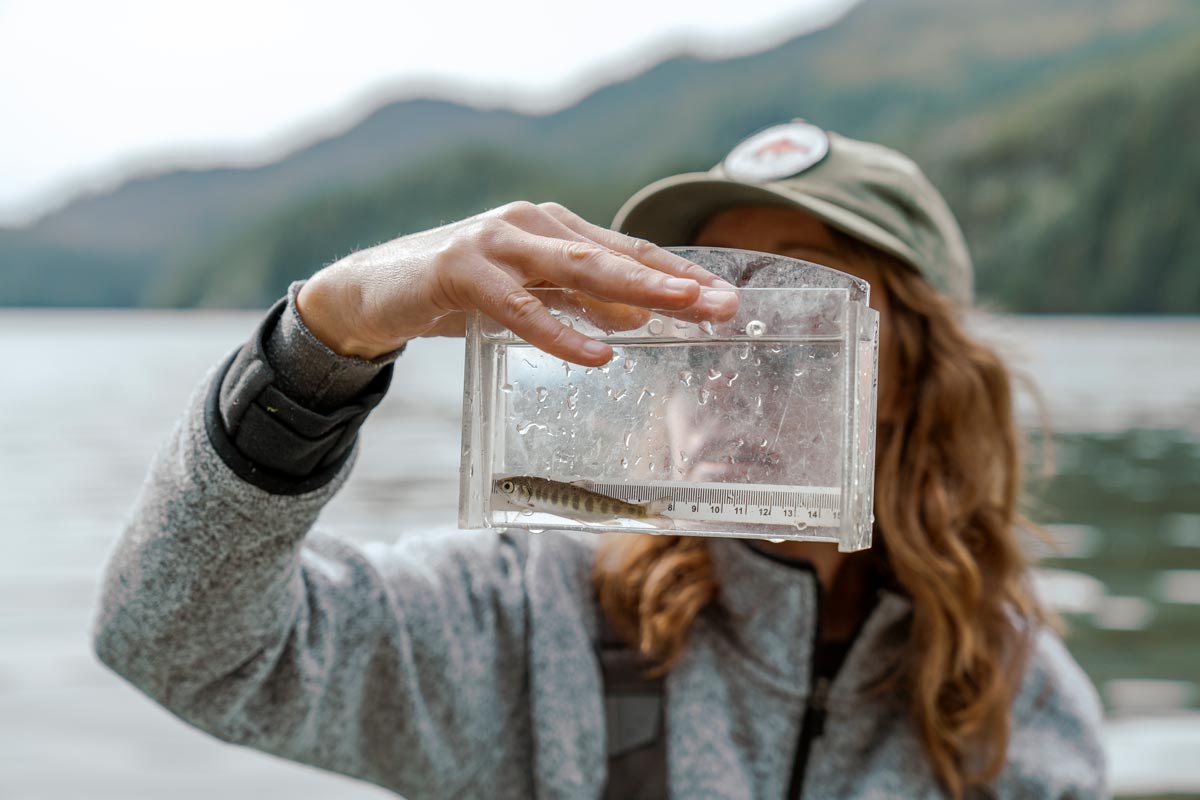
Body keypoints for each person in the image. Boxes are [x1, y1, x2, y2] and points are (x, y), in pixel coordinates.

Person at [93, 120, 1106, 798]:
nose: (730, 363)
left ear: (917, 379)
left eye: (794, 321)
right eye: (695, 315)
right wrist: (328, 332)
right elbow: (180, 645)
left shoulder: (1023, 709)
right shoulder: (537, 621)